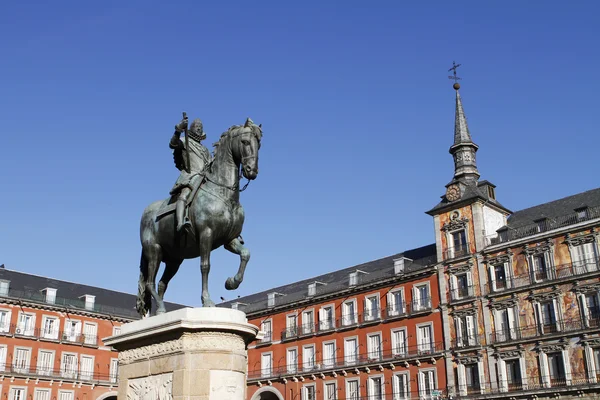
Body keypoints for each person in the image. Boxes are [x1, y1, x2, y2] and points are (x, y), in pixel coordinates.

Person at [169, 116, 211, 234]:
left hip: (205, 178)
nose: (199, 129)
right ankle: (180, 223)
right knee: (184, 195)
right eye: (197, 127)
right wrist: (178, 130)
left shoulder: (205, 150)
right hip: (190, 176)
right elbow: (172, 144)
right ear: (191, 128)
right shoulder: (184, 141)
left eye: (200, 127)